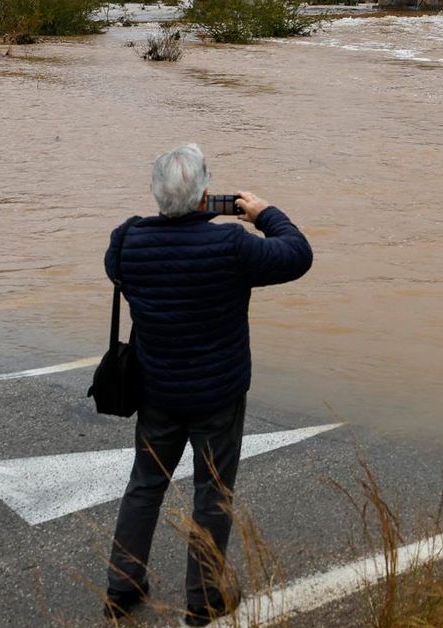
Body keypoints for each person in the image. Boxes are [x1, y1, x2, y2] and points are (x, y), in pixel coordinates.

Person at [103, 143, 312, 626]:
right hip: (218, 396)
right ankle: (203, 600)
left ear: (157, 195)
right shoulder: (231, 246)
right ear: (204, 197)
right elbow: (298, 255)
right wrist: (265, 213)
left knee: (144, 486)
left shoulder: (127, 241)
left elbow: (121, 268)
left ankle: (121, 588)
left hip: (156, 392)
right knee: (212, 494)